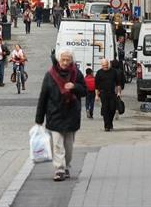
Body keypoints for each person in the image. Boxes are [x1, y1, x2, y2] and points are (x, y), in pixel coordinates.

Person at [35, 51, 86, 181]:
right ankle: (59, 169)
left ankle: (67, 165)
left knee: (68, 145)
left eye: (67, 60)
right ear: (58, 60)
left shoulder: (76, 74)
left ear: (71, 61)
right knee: (57, 144)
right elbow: (43, 97)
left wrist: (74, 86)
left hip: (71, 114)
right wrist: (39, 119)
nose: (64, 62)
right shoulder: (50, 75)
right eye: (62, 59)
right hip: (54, 114)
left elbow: (84, 91)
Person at [95, 59, 121, 131]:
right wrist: (96, 95)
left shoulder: (113, 72)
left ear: (108, 64)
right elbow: (96, 86)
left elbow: (118, 83)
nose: (105, 67)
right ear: (101, 65)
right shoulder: (99, 73)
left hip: (112, 93)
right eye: (103, 66)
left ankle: (110, 122)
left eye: (106, 65)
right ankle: (107, 126)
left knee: (112, 108)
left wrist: (119, 92)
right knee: (105, 109)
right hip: (103, 93)